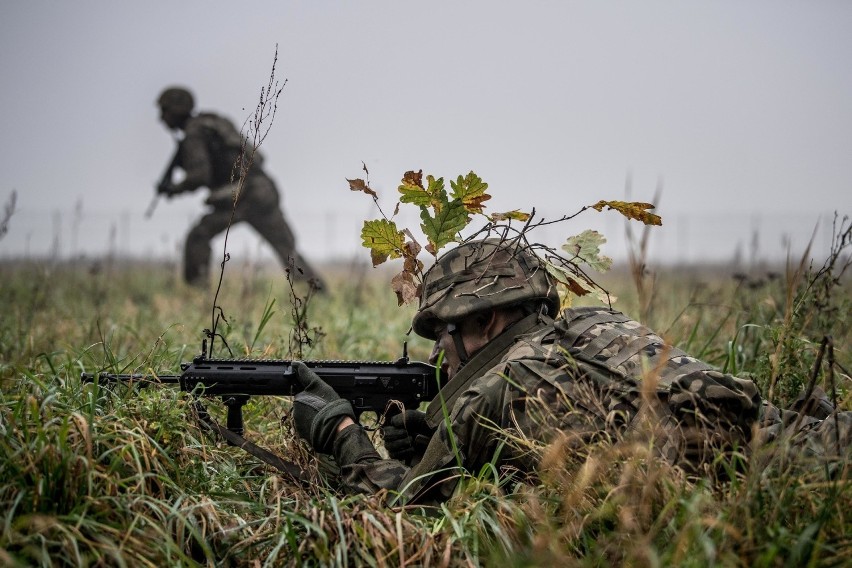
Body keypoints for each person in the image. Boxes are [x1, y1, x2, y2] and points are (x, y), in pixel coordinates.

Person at [291, 237, 850, 505]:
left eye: (442, 333)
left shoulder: (494, 392)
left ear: (483, 319)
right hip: (813, 439)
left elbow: (403, 508)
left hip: (793, 486)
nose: (440, 354)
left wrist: (342, 435)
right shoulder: (590, 323)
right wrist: (438, 443)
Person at [156, 86, 323, 288]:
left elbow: (199, 175)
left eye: (164, 111)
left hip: (240, 196)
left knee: (198, 237)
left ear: (176, 110)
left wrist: (174, 189)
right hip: (262, 190)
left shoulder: (195, 134)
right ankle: (317, 293)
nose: (161, 118)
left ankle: (197, 294)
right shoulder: (214, 123)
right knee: (287, 250)